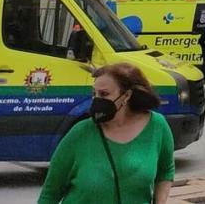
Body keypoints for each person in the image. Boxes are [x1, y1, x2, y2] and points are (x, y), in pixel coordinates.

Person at [38, 63, 174, 204]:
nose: (97, 100)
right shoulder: (80, 133)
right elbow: (50, 193)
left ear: (126, 95)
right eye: (94, 94)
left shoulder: (157, 126)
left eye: (104, 94)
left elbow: (165, 171)